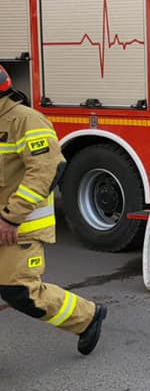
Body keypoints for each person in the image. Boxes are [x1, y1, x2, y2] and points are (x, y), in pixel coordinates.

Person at [0, 64, 106, 355]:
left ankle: (86, 316)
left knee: (20, 292)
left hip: (17, 228)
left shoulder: (26, 121)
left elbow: (47, 170)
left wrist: (10, 217)